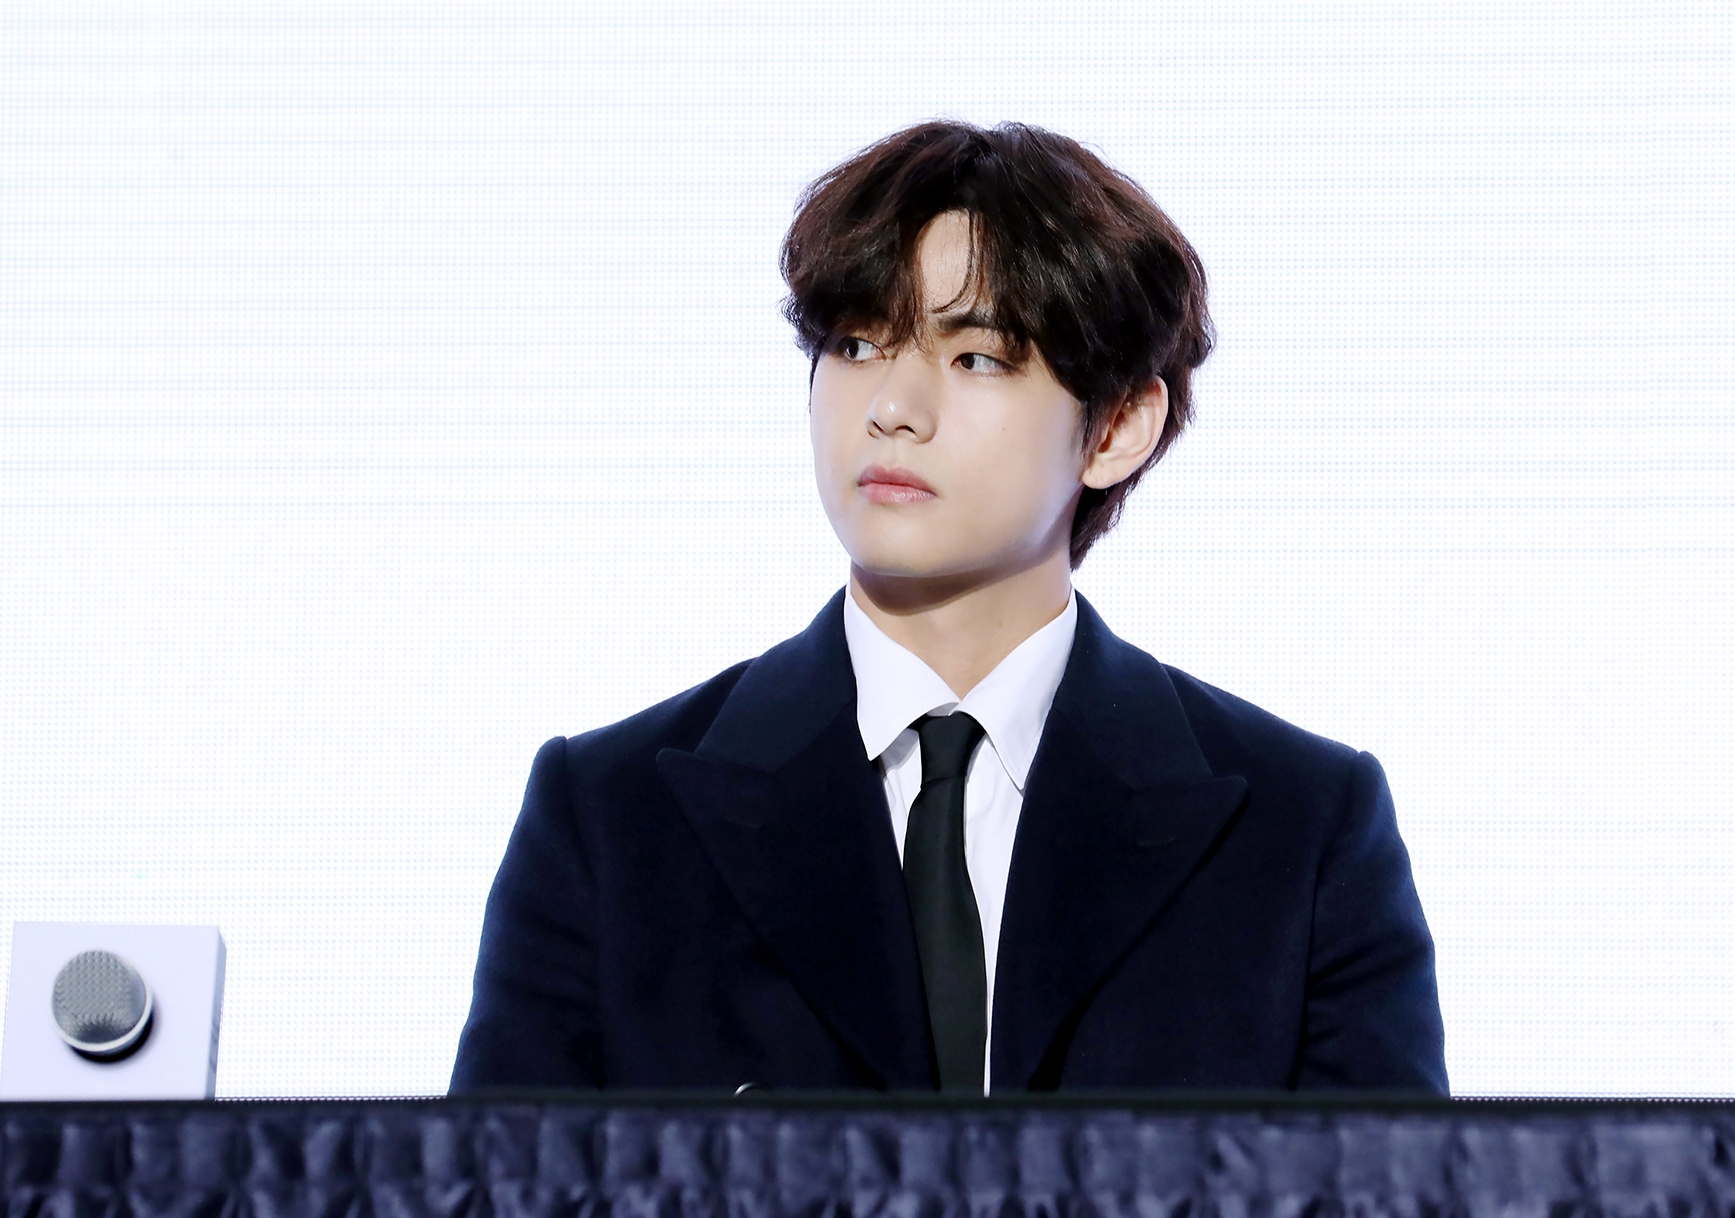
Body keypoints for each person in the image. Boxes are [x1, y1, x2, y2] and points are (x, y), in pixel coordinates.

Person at [449, 121, 1446, 1095]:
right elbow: (492, 1177)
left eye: (975, 358)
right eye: (855, 345)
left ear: (1117, 426)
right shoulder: (612, 818)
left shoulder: (1299, 829)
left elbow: (1387, 1181)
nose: (891, 407)